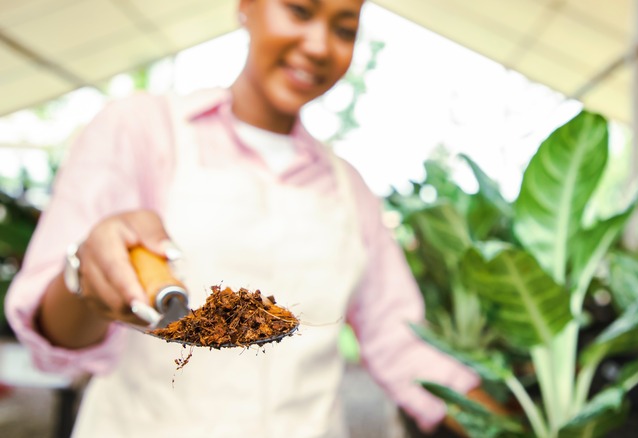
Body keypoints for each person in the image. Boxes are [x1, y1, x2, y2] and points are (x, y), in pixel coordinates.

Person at [4, 0, 496, 436]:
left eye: (345, 28)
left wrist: (505, 427)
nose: (320, 45)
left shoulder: (351, 190)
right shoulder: (142, 129)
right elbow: (58, 338)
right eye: (299, 11)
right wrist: (86, 273)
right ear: (247, 6)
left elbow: (402, 345)